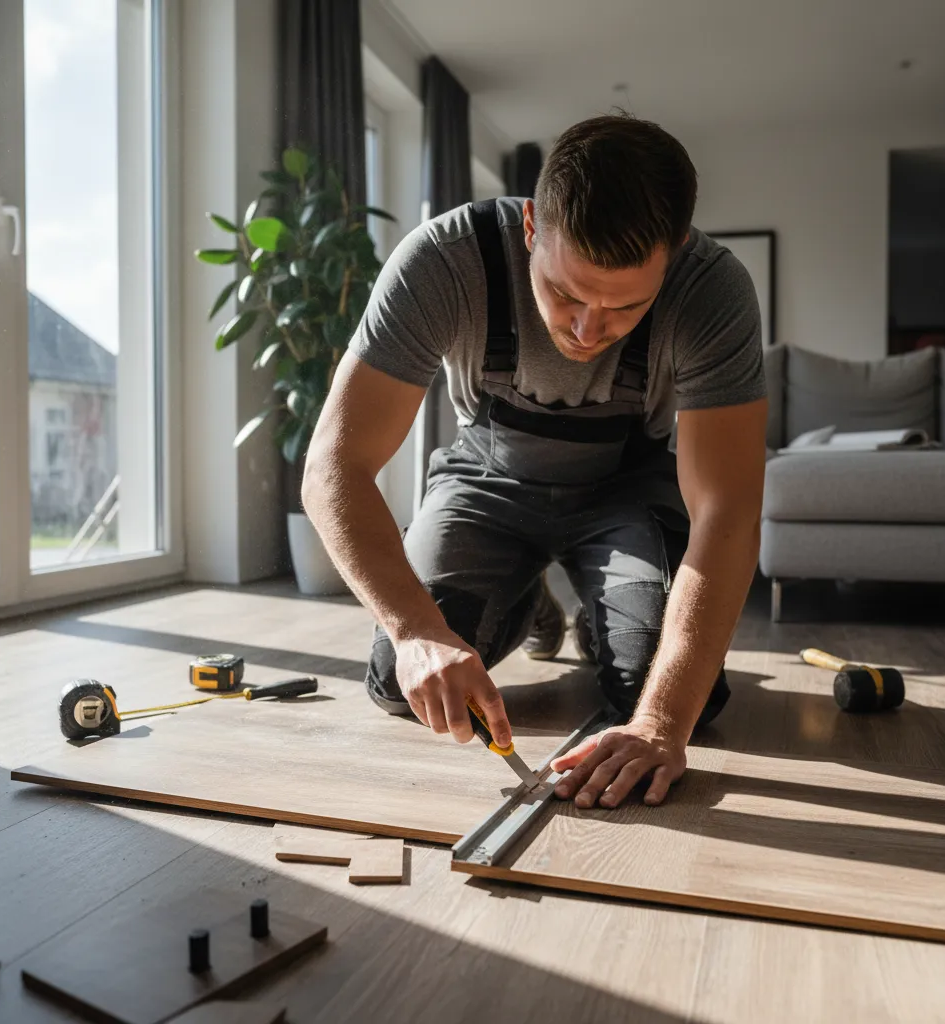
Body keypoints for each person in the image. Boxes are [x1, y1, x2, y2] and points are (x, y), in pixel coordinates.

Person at [302, 114, 767, 811]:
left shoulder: (713, 291)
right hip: (487, 481)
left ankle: (596, 606)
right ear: (531, 231)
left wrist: (662, 724)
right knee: (398, 684)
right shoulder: (444, 259)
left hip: (627, 493)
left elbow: (725, 509)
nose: (587, 331)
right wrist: (419, 632)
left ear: (672, 259)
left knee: (680, 701)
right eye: (565, 293)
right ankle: (527, 592)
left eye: (625, 308)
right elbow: (332, 466)